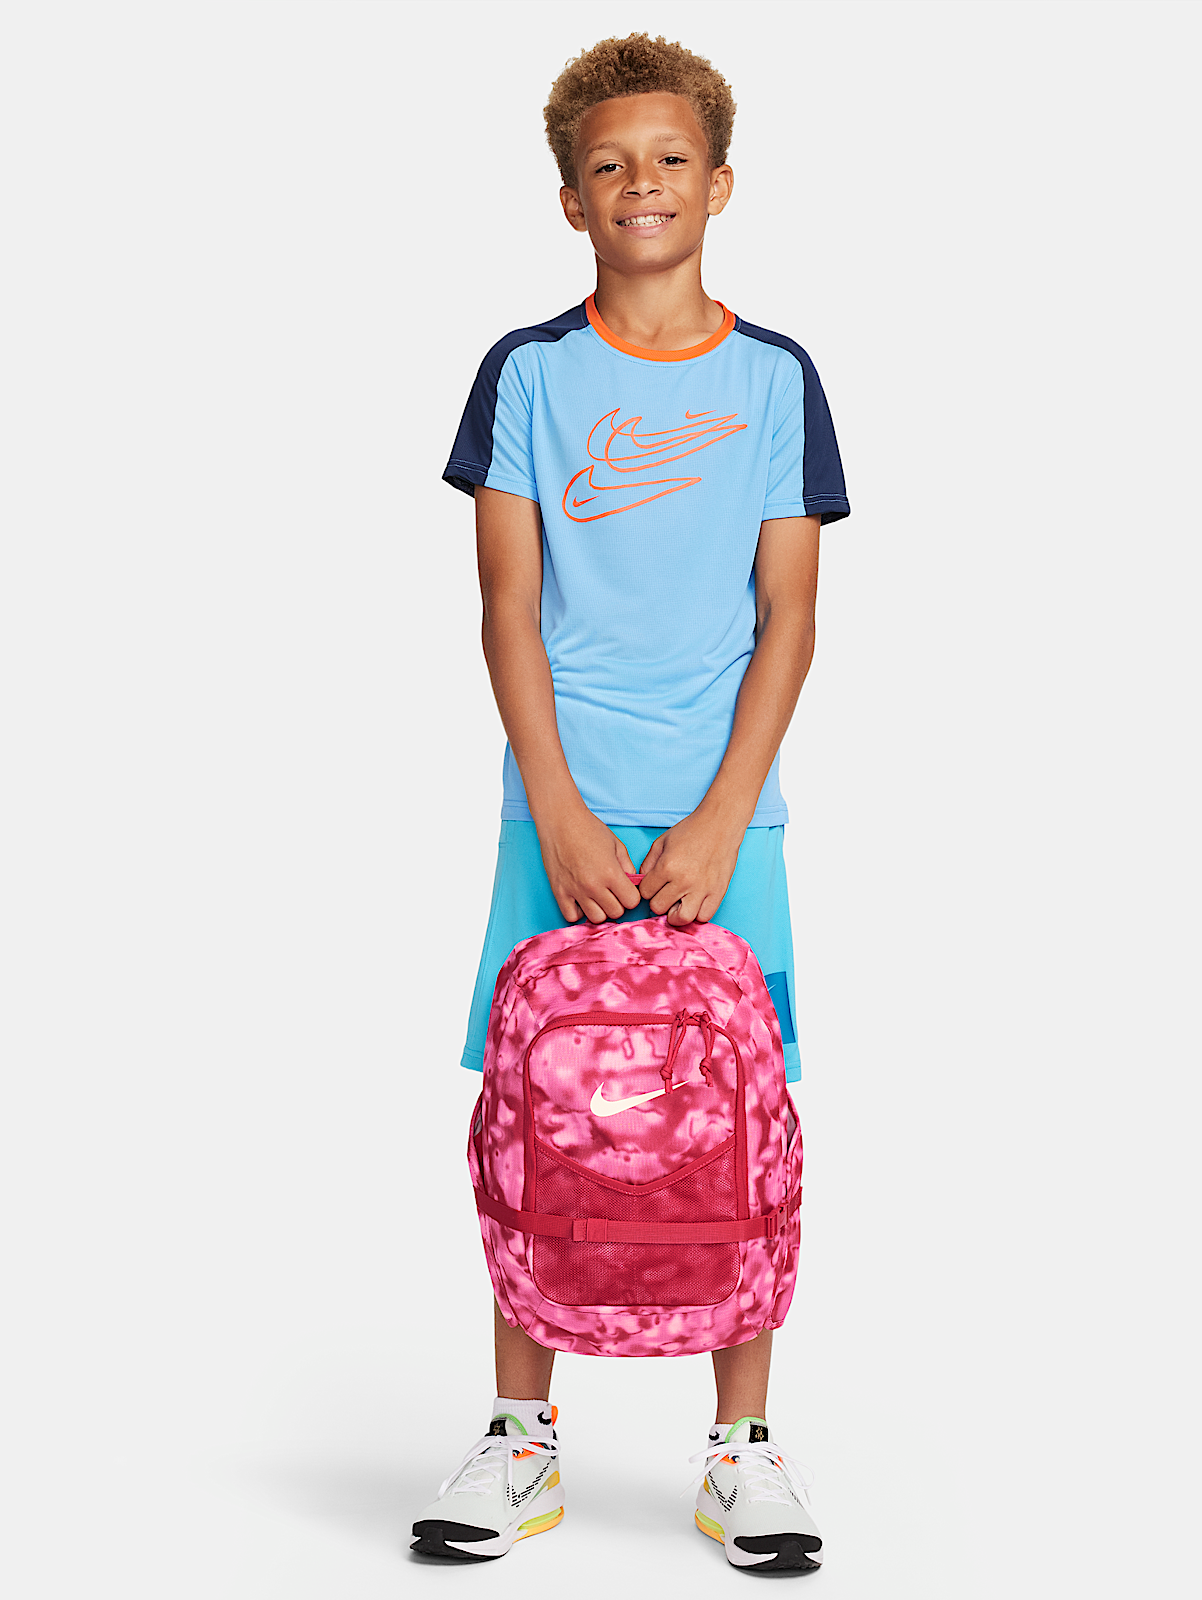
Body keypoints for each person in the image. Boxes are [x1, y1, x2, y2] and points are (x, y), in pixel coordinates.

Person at [413, 33, 848, 1573]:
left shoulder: (775, 379)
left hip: (730, 822)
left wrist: (723, 816)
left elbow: (789, 615)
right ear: (569, 200)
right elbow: (506, 606)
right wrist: (558, 808)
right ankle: (520, 1437)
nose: (640, 183)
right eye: (608, 165)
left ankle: (743, 1450)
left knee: (738, 1114)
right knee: (542, 1106)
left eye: (669, 159)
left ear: (719, 184)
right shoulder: (527, 374)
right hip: (564, 817)